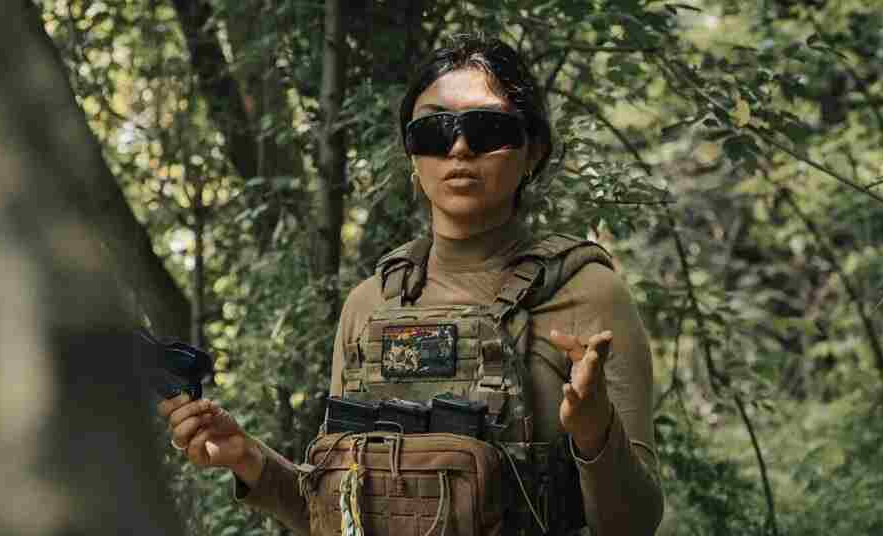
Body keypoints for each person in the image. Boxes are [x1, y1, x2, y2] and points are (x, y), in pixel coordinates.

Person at [158, 34, 663, 535]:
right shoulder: (370, 303)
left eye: (487, 128)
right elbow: (341, 515)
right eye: (433, 132)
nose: (459, 147)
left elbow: (634, 524)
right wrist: (248, 458)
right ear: (412, 158)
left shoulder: (587, 294)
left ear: (533, 151)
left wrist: (595, 432)